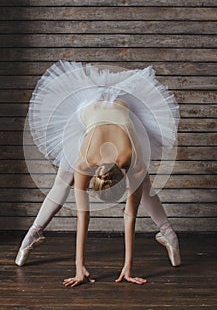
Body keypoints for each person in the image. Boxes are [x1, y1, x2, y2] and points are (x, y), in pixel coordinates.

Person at [15, 60, 181, 276]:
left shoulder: (89, 162)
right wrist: (127, 269)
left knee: (62, 182)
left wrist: (79, 268)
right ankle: (170, 236)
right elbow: (130, 216)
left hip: (111, 107)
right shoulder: (116, 163)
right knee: (145, 185)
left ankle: (30, 238)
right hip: (91, 105)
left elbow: (83, 216)